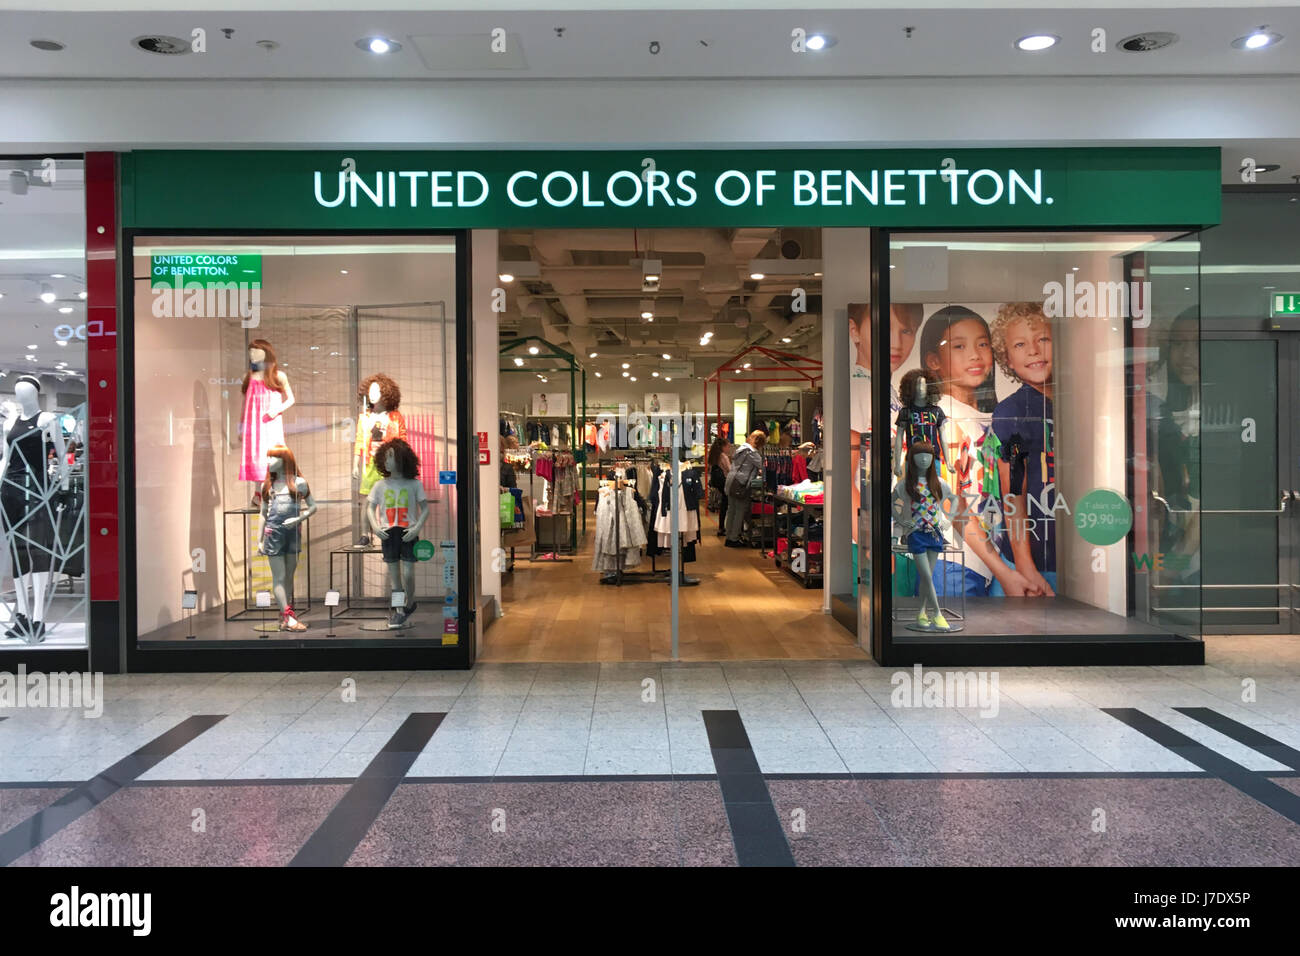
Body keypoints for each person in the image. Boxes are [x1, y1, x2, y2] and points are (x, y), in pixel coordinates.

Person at [917, 306, 1029, 598]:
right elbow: (952, 504)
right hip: (953, 563)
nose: (975, 355)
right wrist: (1004, 572)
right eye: (959, 346)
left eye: (982, 344)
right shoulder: (941, 418)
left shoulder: (994, 417)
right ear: (933, 361)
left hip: (990, 562)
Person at [989, 301, 1057, 598]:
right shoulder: (1012, 412)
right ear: (1008, 359)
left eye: (1042, 339)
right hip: (1035, 562)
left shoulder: (1084, 399)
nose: (1033, 350)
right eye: (1020, 344)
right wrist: (1025, 565)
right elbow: (1013, 493)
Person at [723, 429, 766, 547]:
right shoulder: (752, 453)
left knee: (731, 510)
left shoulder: (741, 449)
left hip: (731, 481)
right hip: (740, 484)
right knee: (740, 511)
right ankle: (734, 538)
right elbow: (764, 465)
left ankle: (728, 537)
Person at [707, 436, 732, 536]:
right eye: (728, 446)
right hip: (724, 482)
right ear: (723, 447)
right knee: (726, 504)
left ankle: (721, 527)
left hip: (717, 482)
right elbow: (730, 470)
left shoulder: (713, 455)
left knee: (724, 504)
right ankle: (723, 527)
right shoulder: (723, 456)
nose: (729, 448)